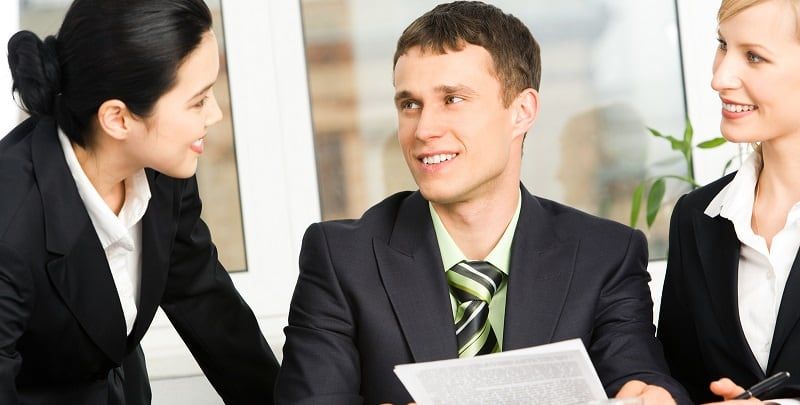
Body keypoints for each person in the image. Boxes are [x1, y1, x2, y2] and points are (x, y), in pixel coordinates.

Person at [276, 2, 690, 404]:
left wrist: (651, 395)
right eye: (410, 104)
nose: (424, 129)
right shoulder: (341, 259)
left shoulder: (605, 256)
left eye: (452, 99)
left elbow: (639, 375)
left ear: (522, 111)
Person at [0, 0, 278, 403]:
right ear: (118, 119)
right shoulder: (10, 220)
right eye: (198, 101)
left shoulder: (162, 171)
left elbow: (208, 306)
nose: (215, 115)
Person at [658, 0, 800, 403]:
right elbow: (679, 379)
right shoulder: (695, 217)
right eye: (723, 45)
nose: (719, 78)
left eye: (754, 56)